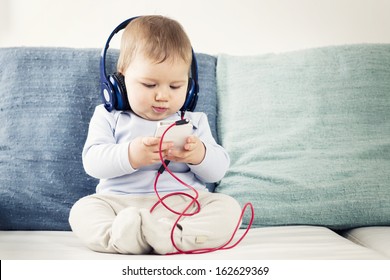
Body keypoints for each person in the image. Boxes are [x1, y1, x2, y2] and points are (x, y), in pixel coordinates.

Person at [69, 15, 242, 255]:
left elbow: (218, 170)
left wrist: (198, 155)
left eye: (175, 86)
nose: (162, 96)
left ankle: (174, 236)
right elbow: (92, 162)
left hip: (181, 205)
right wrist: (131, 155)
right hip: (120, 205)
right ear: (121, 79)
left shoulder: (194, 121)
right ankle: (123, 236)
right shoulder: (109, 116)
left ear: (190, 88)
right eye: (150, 85)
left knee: (228, 207)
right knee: (82, 210)